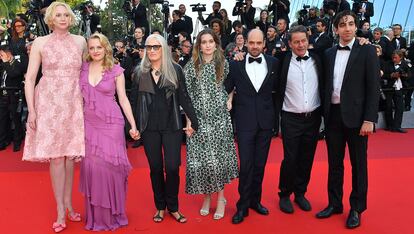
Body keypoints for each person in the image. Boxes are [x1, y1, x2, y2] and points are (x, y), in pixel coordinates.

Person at [22, 2, 87, 233]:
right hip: (49, 102)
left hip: (73, 101)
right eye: (58, 15)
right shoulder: (40, 42)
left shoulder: (80, 41)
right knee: (57, 158)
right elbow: (30, 79)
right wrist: (32, 110)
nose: (62, 18)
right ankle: (60, 209)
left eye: (66, 15)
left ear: (70, 19)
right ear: (51, 19)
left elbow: (89, 71)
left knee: (70, 157)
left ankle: (70, 204)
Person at [316, 10, 380, 229]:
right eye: (342, 25)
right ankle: (334, 203)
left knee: (358, 165)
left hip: (357, 119)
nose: (347, 28)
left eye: (351, 24)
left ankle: (356, 208)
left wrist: (370, 119)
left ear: (356, 26)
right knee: (334, 165)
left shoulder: (367, 51)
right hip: (333, 116)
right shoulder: (328, 54)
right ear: (336, 29)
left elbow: (373, 87)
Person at [130, 34, 199, 223]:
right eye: (149, 47)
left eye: (156, 47)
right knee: (155, 168)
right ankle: (160, 207)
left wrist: (193, 120)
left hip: (172, 126)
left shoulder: (175, 70)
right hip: (149, 128)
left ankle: (173, 207)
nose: (152, 50)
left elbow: (184, 96)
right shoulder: (140, 72)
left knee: (172, 167)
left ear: (163, 49)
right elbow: (134, 101)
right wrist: (132, 125)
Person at [78, 33, 139, 231]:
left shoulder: (116, 70)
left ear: (106, 48)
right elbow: (78, 99)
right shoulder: (82, 68)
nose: (95, 51)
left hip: (112, 124)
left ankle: (114, 214)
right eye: (92, 48)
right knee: (93, 170)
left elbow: (123, 99)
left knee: (109, 170)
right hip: (89, 123)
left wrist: (133, 125)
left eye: (99, 47)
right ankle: (97, 217)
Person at [225, 29, 280, 224]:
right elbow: (226, 88)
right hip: (245, 122)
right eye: (251, 42)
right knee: (246, 166)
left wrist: (276, 122)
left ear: (264, 43)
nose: (255, 46)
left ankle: (255, 201)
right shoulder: (236, 64)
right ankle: (242, 205)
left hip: (265, 123)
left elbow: (278, 93)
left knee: (260, 165)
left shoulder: (274, 63)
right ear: (245, 43)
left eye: (258, 43)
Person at [183, 29, 239, 220]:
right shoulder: (191, 66)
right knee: (204, 161)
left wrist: (230, 99)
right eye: (203, 42)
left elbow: (231, 85)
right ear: (199, 45)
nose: (207, 45)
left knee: (218, 161)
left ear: (216, 43)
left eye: (210, 41)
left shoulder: (224, 63)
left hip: (219, 120)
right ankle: (207, 197)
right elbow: (186, 96)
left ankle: (221, 198)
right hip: (198, 120)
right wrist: (189, 121)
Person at [276, 25, 323, 214]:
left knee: (307, 158)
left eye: (303, 41)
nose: (300, 45)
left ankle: (301, 193)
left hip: (313, 118)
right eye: (296, 42)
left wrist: (362, 41)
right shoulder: (281, 61)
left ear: (308, 41)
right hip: (290, 118)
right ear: (290, 44)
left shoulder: (319, 59)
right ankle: (285, 194)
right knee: (290, 158)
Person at [0, 43, 25, 152]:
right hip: (3, 95)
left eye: (1, 55)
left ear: (8, 54)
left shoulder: (18, 64)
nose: (0, 57)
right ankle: (2, 141)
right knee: (2, 119)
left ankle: (17, 142)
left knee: (16, 119)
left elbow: (13, 74)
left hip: (14, 95)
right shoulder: (2, 65)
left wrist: (6, 63)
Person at [382, 50, 410, 133]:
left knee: (399, 108)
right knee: (388, 107)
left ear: (400, 57)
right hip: (389, 88)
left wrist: (403, 75)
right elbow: (383, 74)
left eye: (396, 58)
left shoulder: (405, 64)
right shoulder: (388, 64)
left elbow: (410, 75)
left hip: (399, 88)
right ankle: (389, 126)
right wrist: (391, 75)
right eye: (393, 57)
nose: (394, 59)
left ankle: (397, 126)